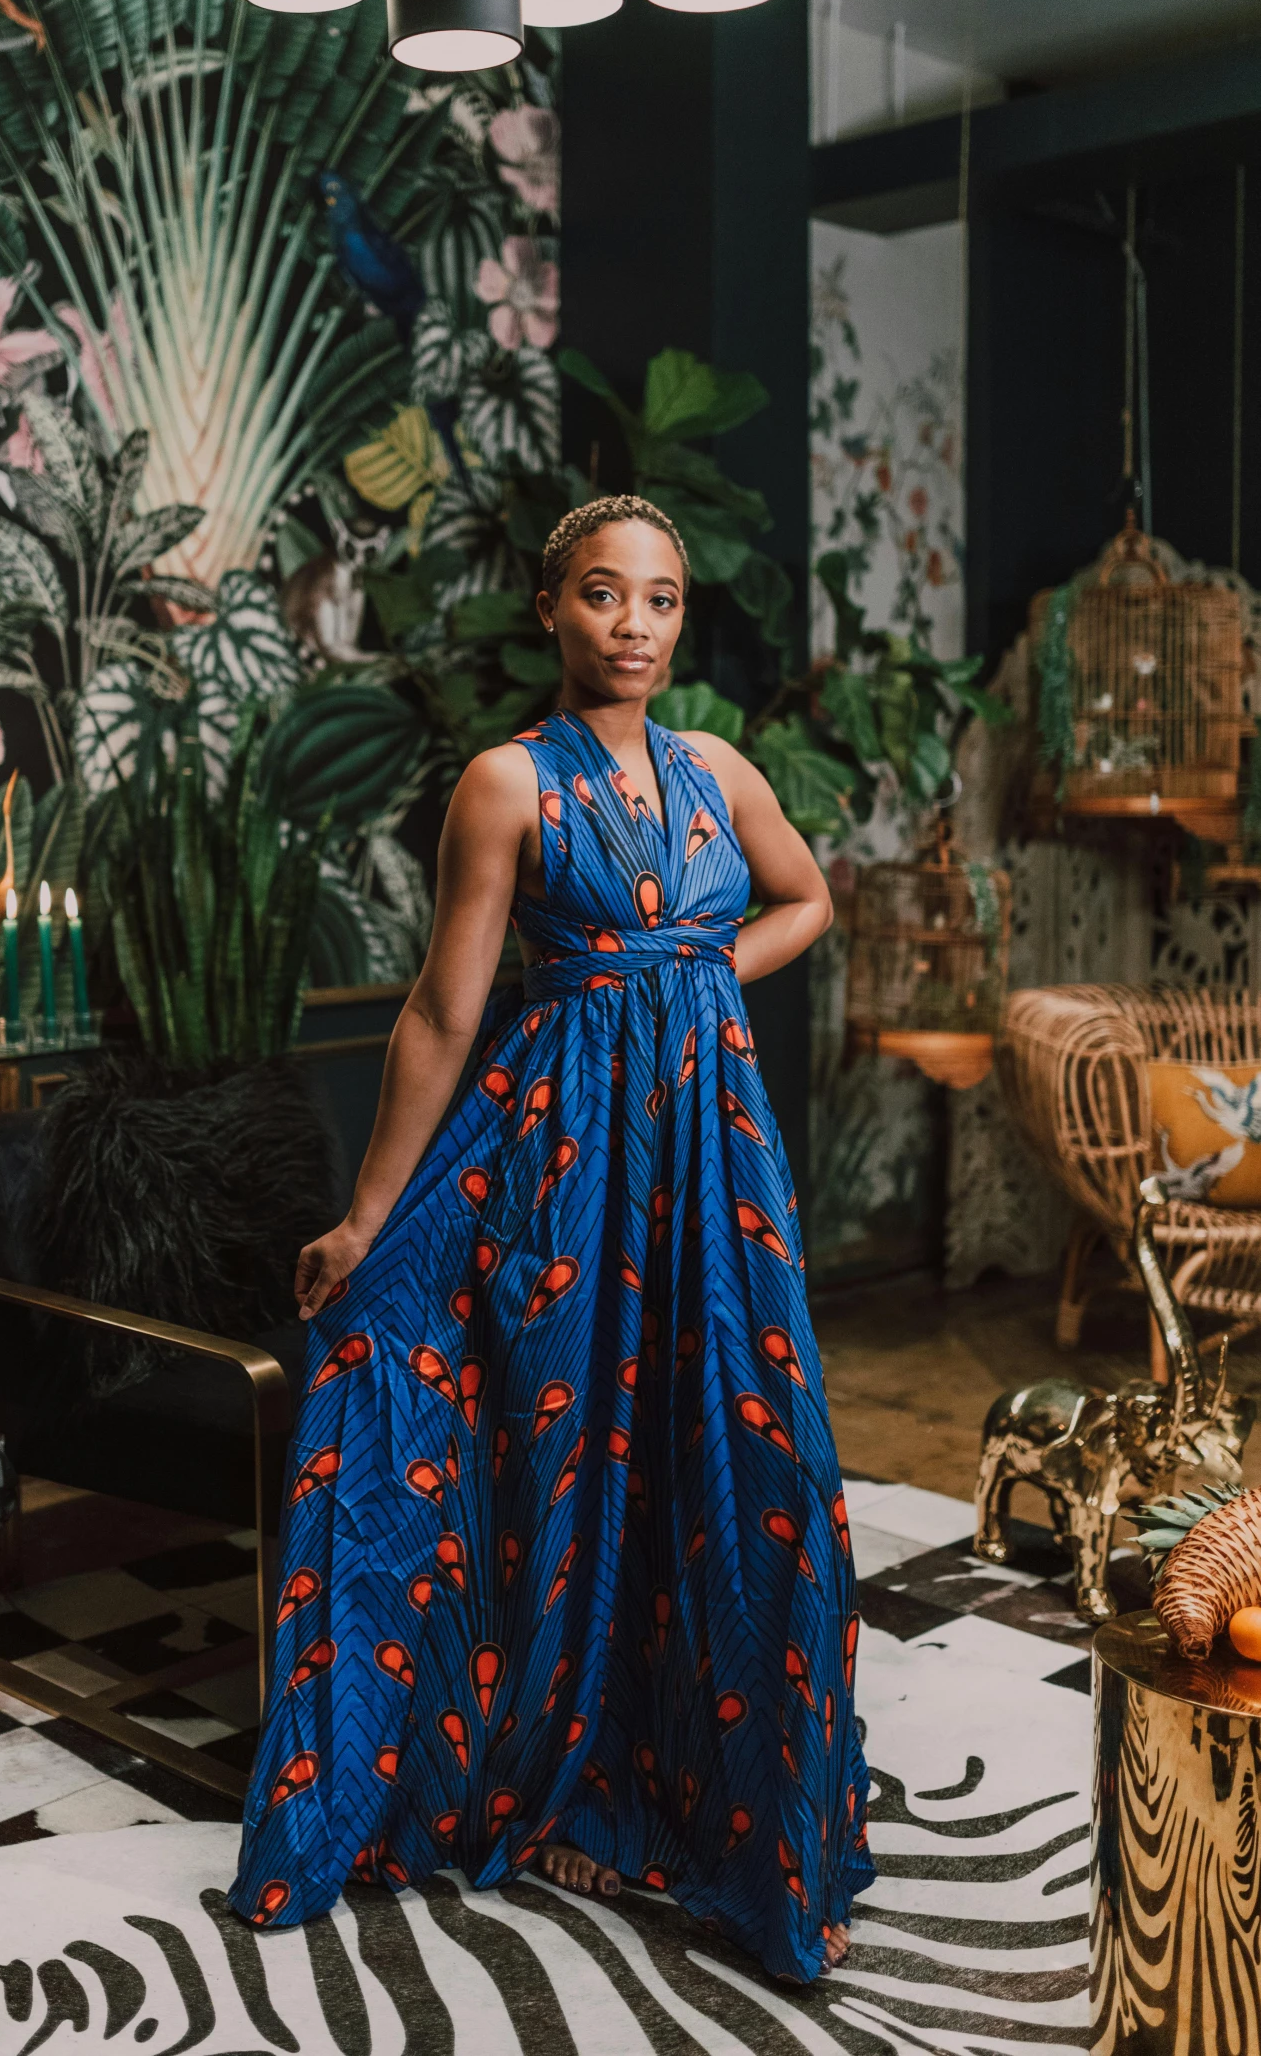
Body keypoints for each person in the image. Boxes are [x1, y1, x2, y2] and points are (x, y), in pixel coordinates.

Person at [229, 494, 872, 1982]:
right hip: (567, 1158)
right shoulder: (505, 782)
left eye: (657, 599)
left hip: (712, 1158)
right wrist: (369, 1214)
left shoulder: (718, 768)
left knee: (744, 1444)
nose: (633, 623)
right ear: (550, 609)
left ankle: (730, 1796)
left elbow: (806, 897)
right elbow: (448, 1012)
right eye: (602, 594)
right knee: (564, 1447)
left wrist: (694, 962)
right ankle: (560, 1768)